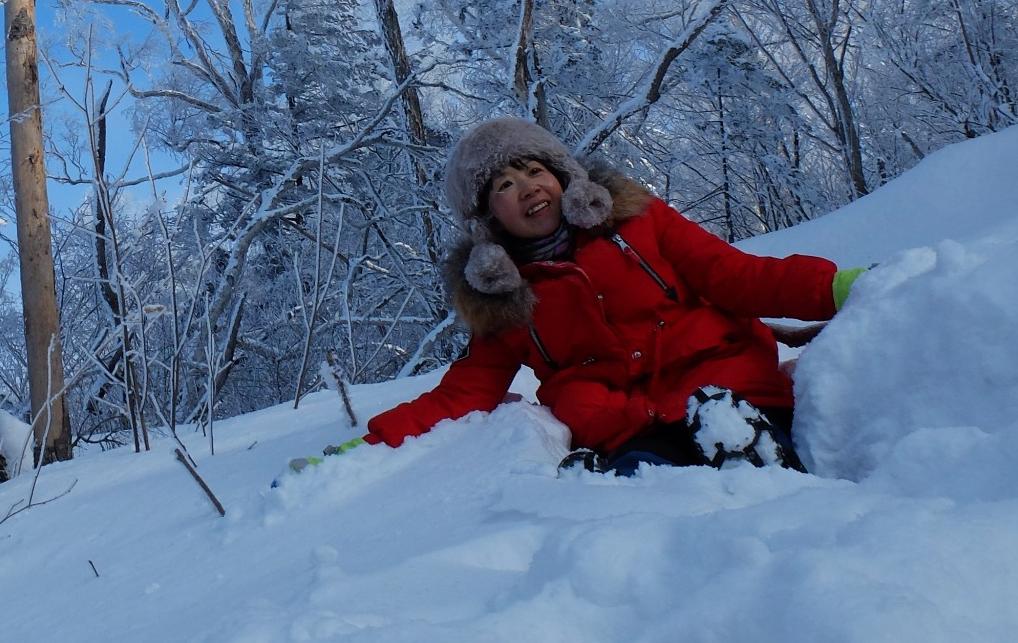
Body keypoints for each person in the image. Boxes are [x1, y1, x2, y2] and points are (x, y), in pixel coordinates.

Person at [350, 118, 863, 476]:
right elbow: (465, 391)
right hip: (626, 423)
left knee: (727, 419)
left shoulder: (641, 220)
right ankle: (635, 488)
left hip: (721, 383)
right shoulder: (501, 299)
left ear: (563, 178)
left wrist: (837, 287)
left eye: (534, 171)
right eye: (504, 184)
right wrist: (369, 442)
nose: (527, 187)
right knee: (641, 470)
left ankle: (755, 454)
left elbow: (737, 275)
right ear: (488, 219)